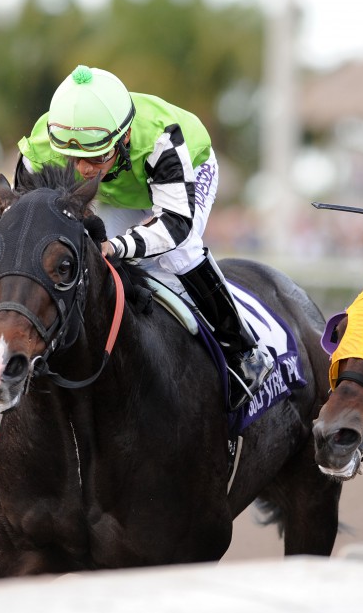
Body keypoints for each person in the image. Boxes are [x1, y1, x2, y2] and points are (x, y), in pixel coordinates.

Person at [15, 64, 273, 409]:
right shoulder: (41, 144)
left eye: (95, 156)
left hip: (188, 172)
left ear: (124, 137)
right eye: (72, 157)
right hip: (121, 192)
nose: (83, 169)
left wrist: (118, 245)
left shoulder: (162, 137)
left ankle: (244, 350)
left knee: (176, 254)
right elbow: (21, 221)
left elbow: (175, 225)